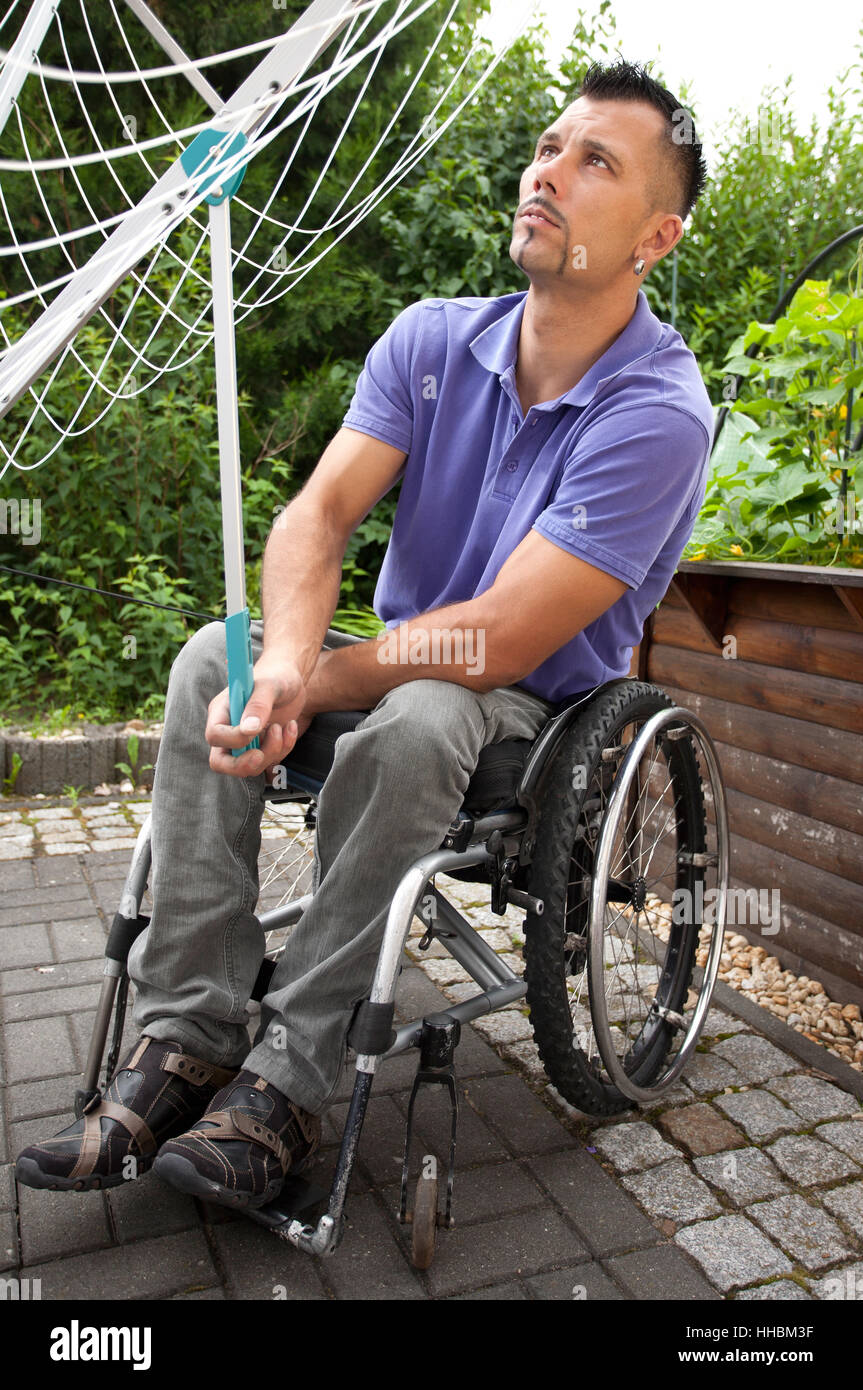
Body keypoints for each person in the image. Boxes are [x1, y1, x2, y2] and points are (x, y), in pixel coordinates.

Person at [16, 59, 714, 1211]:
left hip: (528, 707)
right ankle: (189, 1032)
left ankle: (288, 1079)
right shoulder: (433, 340)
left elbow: (489, 642)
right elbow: (316, 516)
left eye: (595, 162)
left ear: (653, 237)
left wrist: (318, 675)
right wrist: (283, 665)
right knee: (213, 655)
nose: (548, 172)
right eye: (548, 146)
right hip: (393, 665)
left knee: (421, 714)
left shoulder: (656, 413)